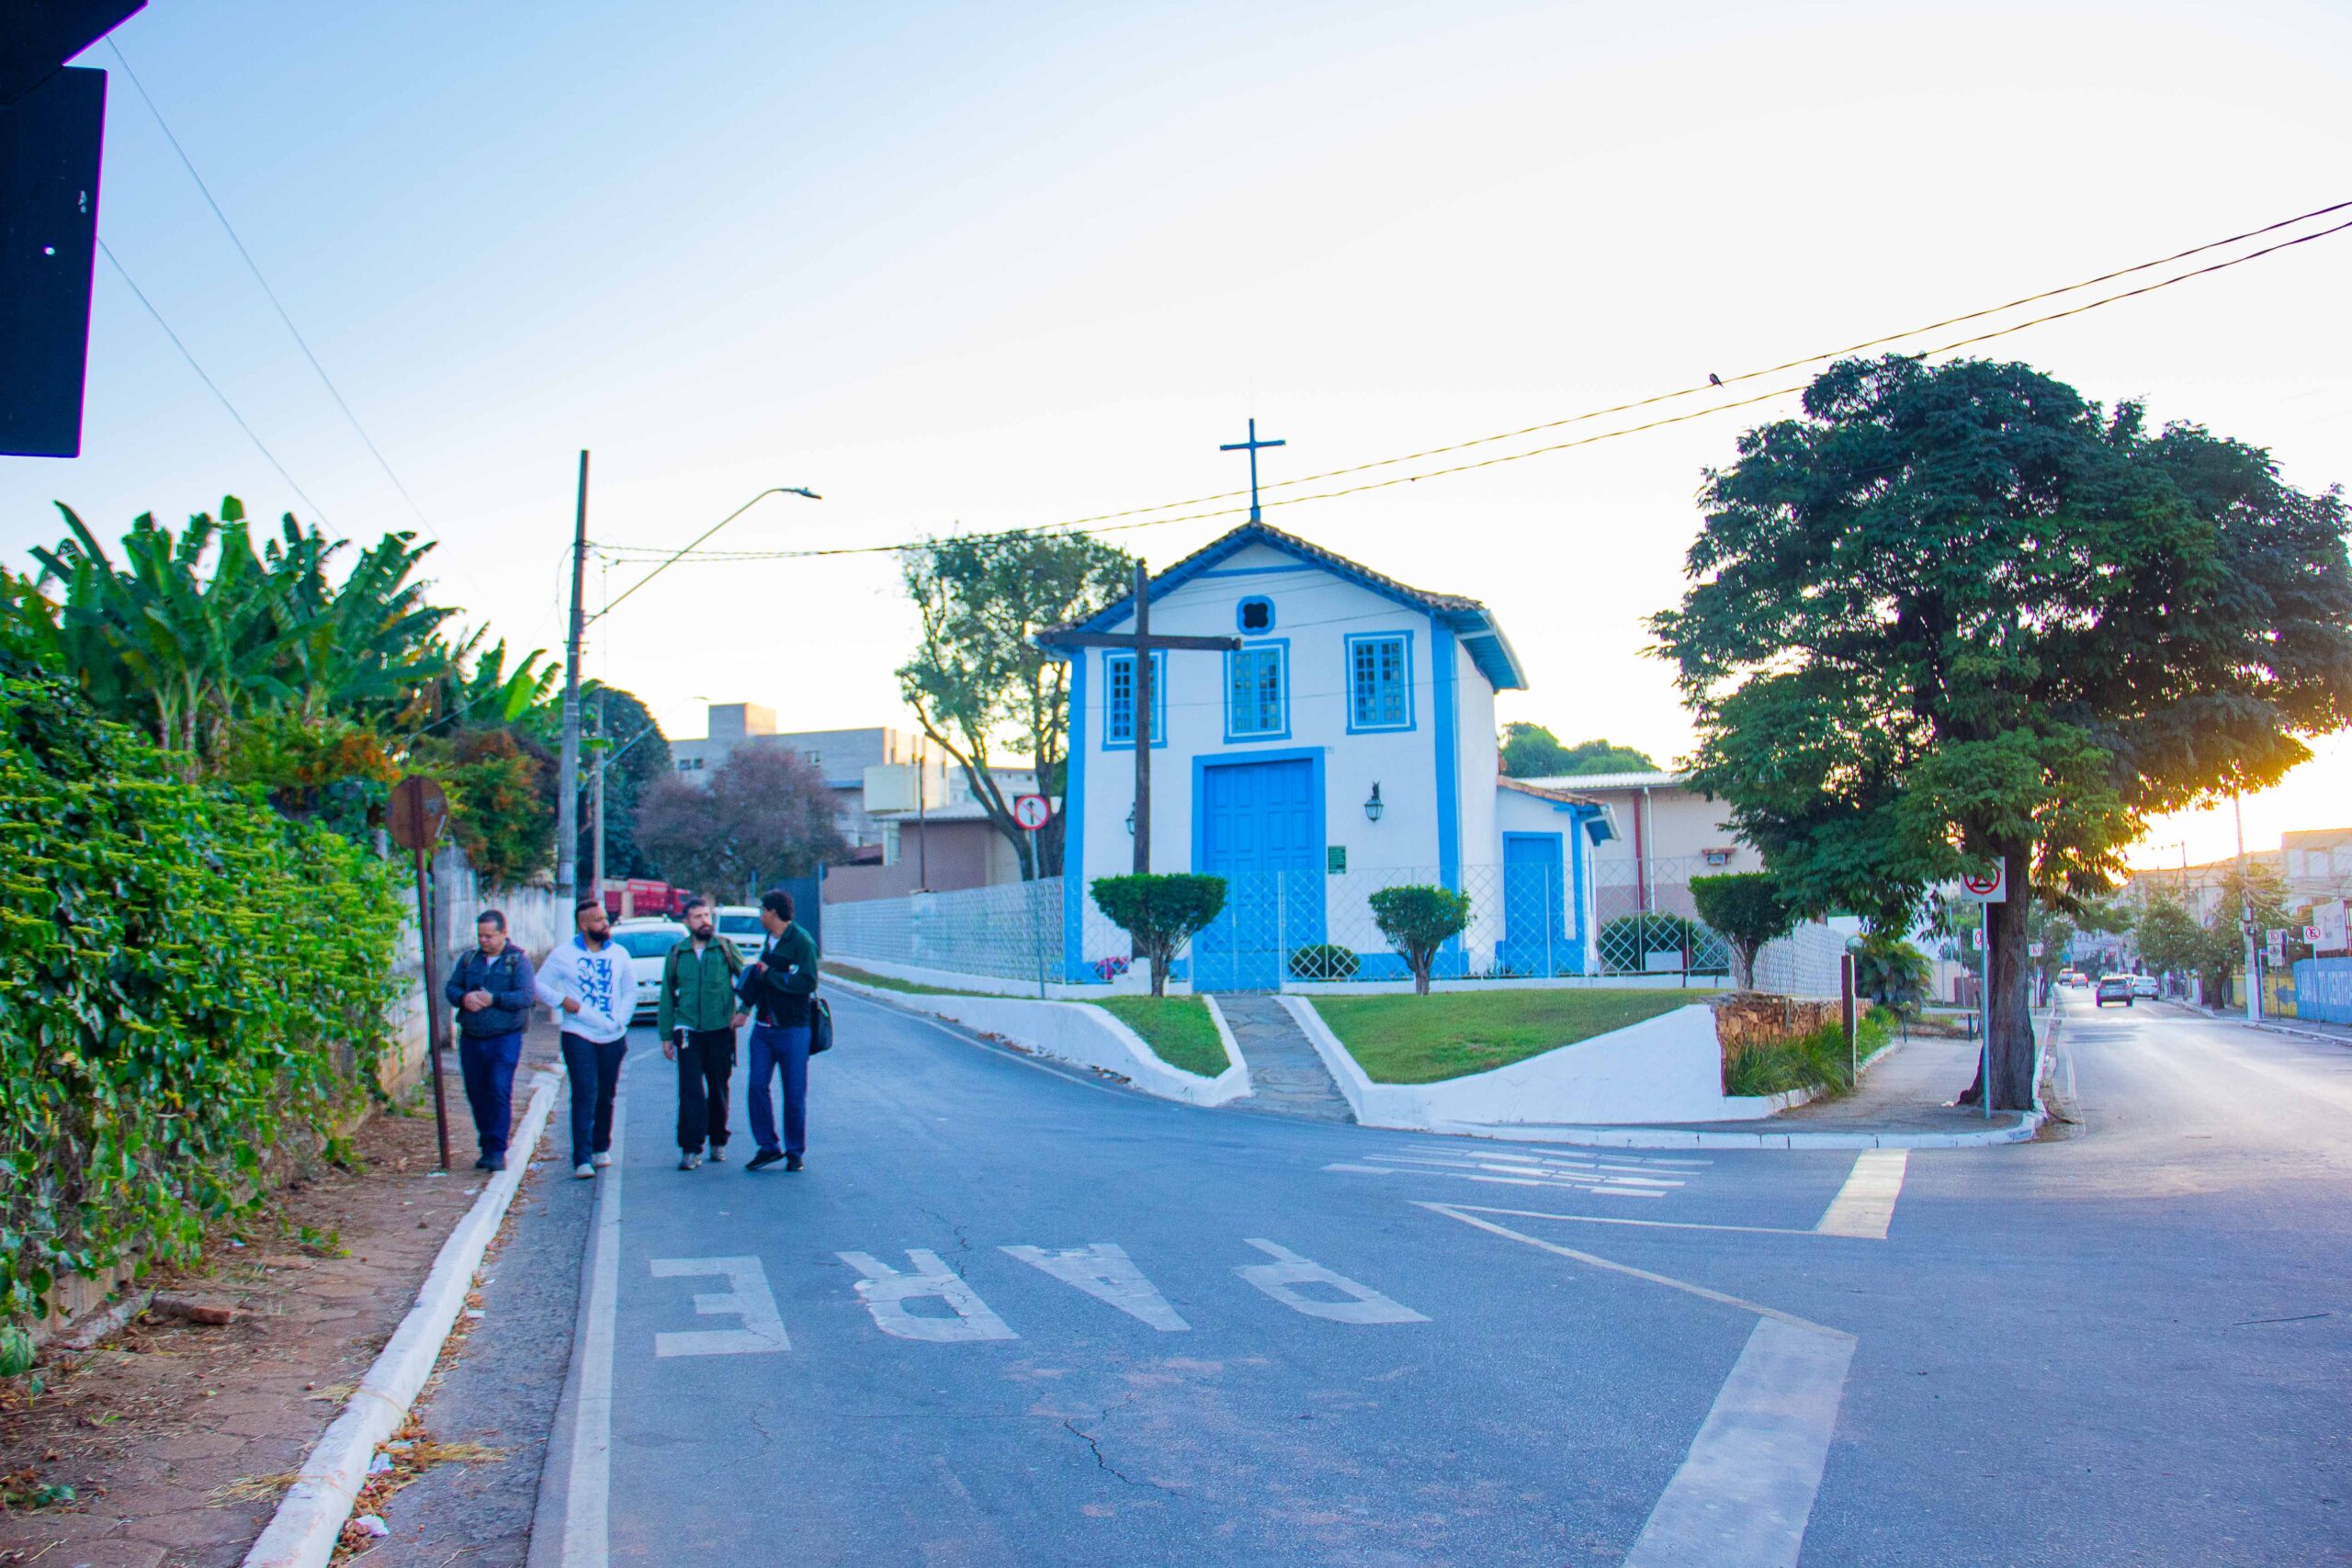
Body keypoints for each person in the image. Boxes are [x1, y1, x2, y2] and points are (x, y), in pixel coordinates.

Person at [536, 897, 632, 1179]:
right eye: (600, 920)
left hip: (613, 1035)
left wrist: (620, 1020)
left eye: (605, 919)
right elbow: (539, 984)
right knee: (584, 1092)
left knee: (606, 1093)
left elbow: (629, 991)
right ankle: (581, 1157)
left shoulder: (619, 954)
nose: (606, 923)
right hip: (578, 1033)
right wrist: (562, 1000)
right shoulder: (563, 954)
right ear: (584, 925)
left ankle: (601, 1146)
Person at [658, 897, 748, 1170]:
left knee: (718, 1087)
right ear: (687, 922)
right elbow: (666, 997)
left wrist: (743, 1010)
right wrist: (665, 1035)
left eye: (707, 916)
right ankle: (690, 1148)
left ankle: (718, 1141)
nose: (704, 921)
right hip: (687, 1031)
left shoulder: (724, 949)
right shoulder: (677, 954)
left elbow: (746, 981)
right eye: (697, 916)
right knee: (690, 1090)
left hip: (720, 1029)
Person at [444, 909, 537, 1172]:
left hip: (504, 1038)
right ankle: (486, 1144)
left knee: (498, 1089)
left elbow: (527, 996)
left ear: (503, 933)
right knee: (477, 1092)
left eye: (490, 936)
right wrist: (464, 999)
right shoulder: (468, 960)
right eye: (481, 936)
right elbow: (451, 988)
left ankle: (497, 1150)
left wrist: (494, 999)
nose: (484, 941)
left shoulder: (517, 961)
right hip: (472, 1038)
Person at [739, 887, 819, 1173]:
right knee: (757, 1087)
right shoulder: (768, 940)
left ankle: (795, 1151)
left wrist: (771, 976)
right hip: (764, 1028)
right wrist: (744, 1008)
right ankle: (768, 1146)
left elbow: (807, 982)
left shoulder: (801, 942)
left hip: (793, 1028)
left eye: (762, 911)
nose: (760, 916)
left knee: (794, 1093)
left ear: (774, 913)